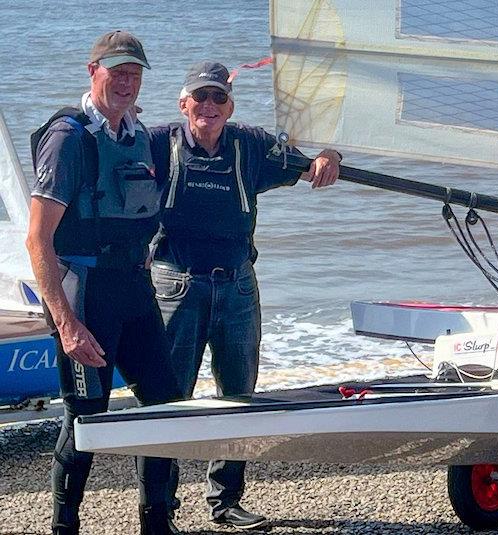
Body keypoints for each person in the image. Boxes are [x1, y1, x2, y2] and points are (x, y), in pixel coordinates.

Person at [147, 61, 340, 531]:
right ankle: (158, 511)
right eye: (200, 98)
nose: (209, 107)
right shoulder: (157, 143)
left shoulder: (250, 145)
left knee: (239, 398)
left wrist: (330, 154)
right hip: (177, 285)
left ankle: (225, 502)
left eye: (218, 99)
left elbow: (309, 160)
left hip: (237, 285)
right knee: (169, 401)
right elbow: (107, 159)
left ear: (230, 107)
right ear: (183, 103)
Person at [27, 30, 183, 535]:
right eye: (116, 71)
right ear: (91, 70)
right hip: (86, 295)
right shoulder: (69, 138)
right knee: (86, 419)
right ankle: (63, 527)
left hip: (132, 290)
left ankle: (156, 521)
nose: (126, 81)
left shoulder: (137, 134)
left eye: (135, 73)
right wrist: (67, 324)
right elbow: (37, 241)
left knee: (165, 405)